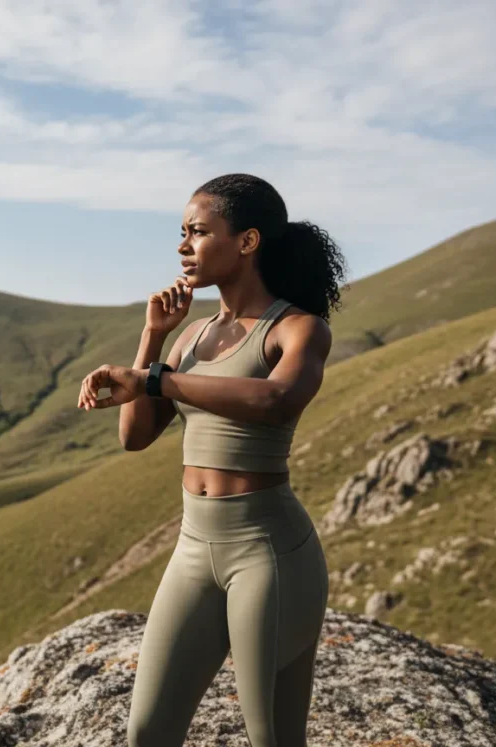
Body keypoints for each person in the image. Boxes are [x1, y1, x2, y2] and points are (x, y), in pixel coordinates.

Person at [76, 173, 348, 746]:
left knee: (272, 738)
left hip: (268, 552)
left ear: (246, 242)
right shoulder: (189, 338)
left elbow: (276, 400)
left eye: (197, 232)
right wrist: (153, 340)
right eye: (182, 233)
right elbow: (135, 436)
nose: (182, 246)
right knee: (147, 732)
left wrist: (156, 379)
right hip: (193, 549)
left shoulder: (298, 328)